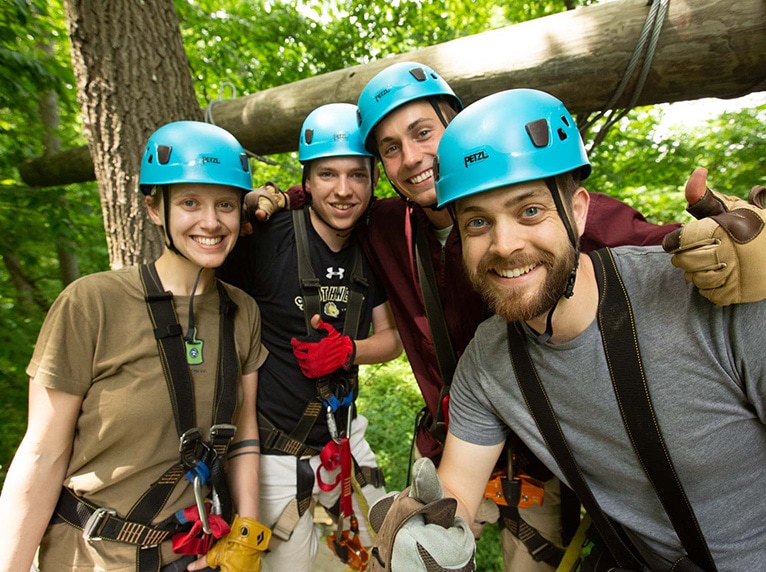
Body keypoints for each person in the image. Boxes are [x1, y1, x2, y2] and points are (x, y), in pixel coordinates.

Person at [252, 61, 705, 571]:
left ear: (456, 129)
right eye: (390, 148)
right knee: (408, 556)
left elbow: (666, 250)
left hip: (541, 459)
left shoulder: (546, 209)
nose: (412, 158)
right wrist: (274, 198)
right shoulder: (386, 228)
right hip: (452, 443)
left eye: (423, 133)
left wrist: (726, 241)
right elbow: (333, 199)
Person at [429, 88, 766, 570]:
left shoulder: (712, 297)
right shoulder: (487, 363)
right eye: (478, 222)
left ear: (579, 211)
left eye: (529, 211)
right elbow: (457, 490)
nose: (504, 245)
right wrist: (423, 532)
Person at [0, 121, 271, 572]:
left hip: (194, 554)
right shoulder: (92, 304)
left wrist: (247, 535)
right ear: (153, 208)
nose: (211, 221)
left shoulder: (241, 312)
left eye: (225, 204)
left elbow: (243, 436)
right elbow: (42, 452)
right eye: (189, 203)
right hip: (93, 556)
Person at [218, 103, 402, 572]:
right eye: (327, 175)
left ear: (373, 180)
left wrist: (349, 350)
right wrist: (246, 203)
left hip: (344, 437)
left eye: (357, 176)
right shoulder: (267, 238)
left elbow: (392, 338)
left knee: (390, 551)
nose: (343, 190)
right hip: (275, 453)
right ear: (306, 180)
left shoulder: (371, 247)